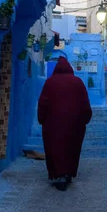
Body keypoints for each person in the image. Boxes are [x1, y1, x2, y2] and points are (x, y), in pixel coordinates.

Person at [38, 57, 92, 191]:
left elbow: (43, 103)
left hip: (52, 125)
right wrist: (84, 120)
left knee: (54, 148)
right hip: (74, 125)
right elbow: (85, 104)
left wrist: (42, 119)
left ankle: (58, 175)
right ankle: (68, 173)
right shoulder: (78, 82)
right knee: (71, 148)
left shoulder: (50, 82)